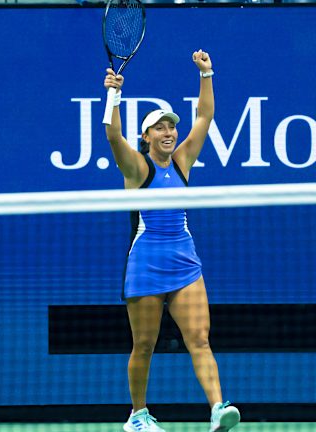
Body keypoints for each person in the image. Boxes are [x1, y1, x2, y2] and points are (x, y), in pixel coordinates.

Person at [103, 50, 241, 432]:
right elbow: (113, 135)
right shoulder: (137, 167)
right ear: (146, 137)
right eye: (160, 128)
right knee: (144, 345)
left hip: (184, 259)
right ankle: (138, 415)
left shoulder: (182, 162)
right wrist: (113, 95)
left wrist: (207, 73)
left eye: (171, 127)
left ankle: (217, 408)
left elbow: (204, 117)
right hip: (146, 262)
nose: (169, 132)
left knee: (199, 337)